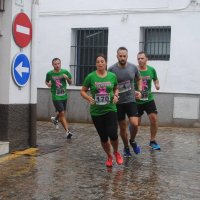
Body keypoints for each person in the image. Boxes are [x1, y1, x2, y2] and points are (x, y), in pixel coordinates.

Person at [80, 54, 123, 167]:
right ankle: (109, 156)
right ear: (96, 64)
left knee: (113, 133)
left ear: (106, 63)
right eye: (98, 62)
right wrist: (88, 98)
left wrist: (116, 96)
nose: (100, 63)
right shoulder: (90, 77)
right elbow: (83, 91)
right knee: (103, 137)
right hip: (96, 112)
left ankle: (116, 152)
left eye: (102, 61)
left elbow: (115, 88)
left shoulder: (112, 76)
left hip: (110, 109)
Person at [108, 47, 142, 157]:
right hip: (118, 103)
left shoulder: (133, 67)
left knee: (135, 124)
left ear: (127, 56)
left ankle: (132, 140)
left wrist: (139, 91)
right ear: (117, 56)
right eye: (120, 56)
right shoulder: (111, 69)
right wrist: (113, 95)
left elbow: (139, 79)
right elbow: (108, 84)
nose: (122, 58)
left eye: (124, 56)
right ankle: (126, 147)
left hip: (130, 100)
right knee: (122, 128)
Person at [130, 51, 161, 150]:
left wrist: (157, 84)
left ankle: (153, 141)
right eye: (138, 58)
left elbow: (155, 79)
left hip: (148, 99)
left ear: (146, 59)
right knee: (135, 124)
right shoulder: (134, 70)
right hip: (136, 100)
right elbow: (127, 82)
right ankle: (132, 140)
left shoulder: (151, 69)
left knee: (154, 119)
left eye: (142, 58)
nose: (140, 60)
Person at [45, 57, 73, 139]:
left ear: (60, 64)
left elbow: (71, 82)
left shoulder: (65, 72)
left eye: (58, 63)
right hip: (55, 96)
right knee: (62, 114)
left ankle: (55, 119)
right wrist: (48, 84)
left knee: (61, 112)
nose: (57, 65)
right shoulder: (49, 74)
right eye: (55, 64)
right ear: (52, 65)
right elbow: (46, 81)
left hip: (64, 95)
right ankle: (67, 132)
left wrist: (66, 77)